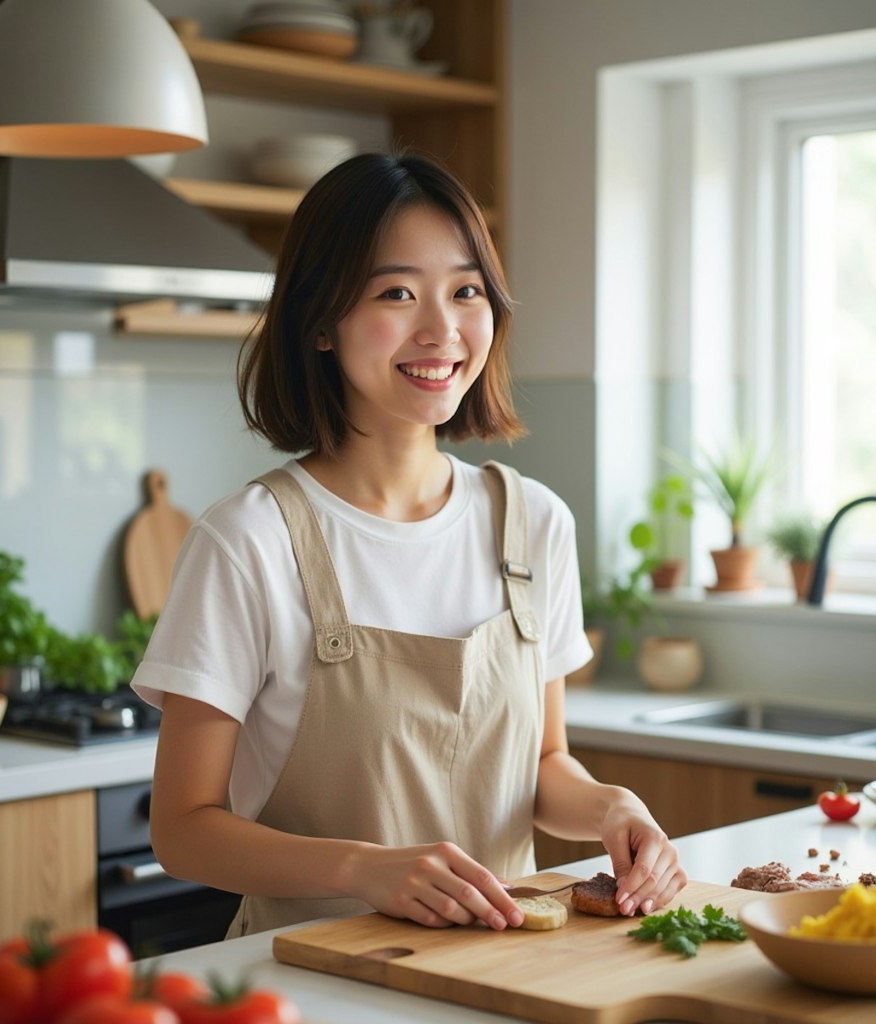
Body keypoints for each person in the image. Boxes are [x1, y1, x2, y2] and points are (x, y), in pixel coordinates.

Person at [132, 151, 686, 937]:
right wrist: (360, 867)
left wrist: (612, 806)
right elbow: (182, 828)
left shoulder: (532, 522)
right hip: (311, 981)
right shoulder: (248, 540)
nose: (442, 329)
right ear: (320, 323)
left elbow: (540, 768)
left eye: (466, 291)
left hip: (506, 975)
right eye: (397, 292)